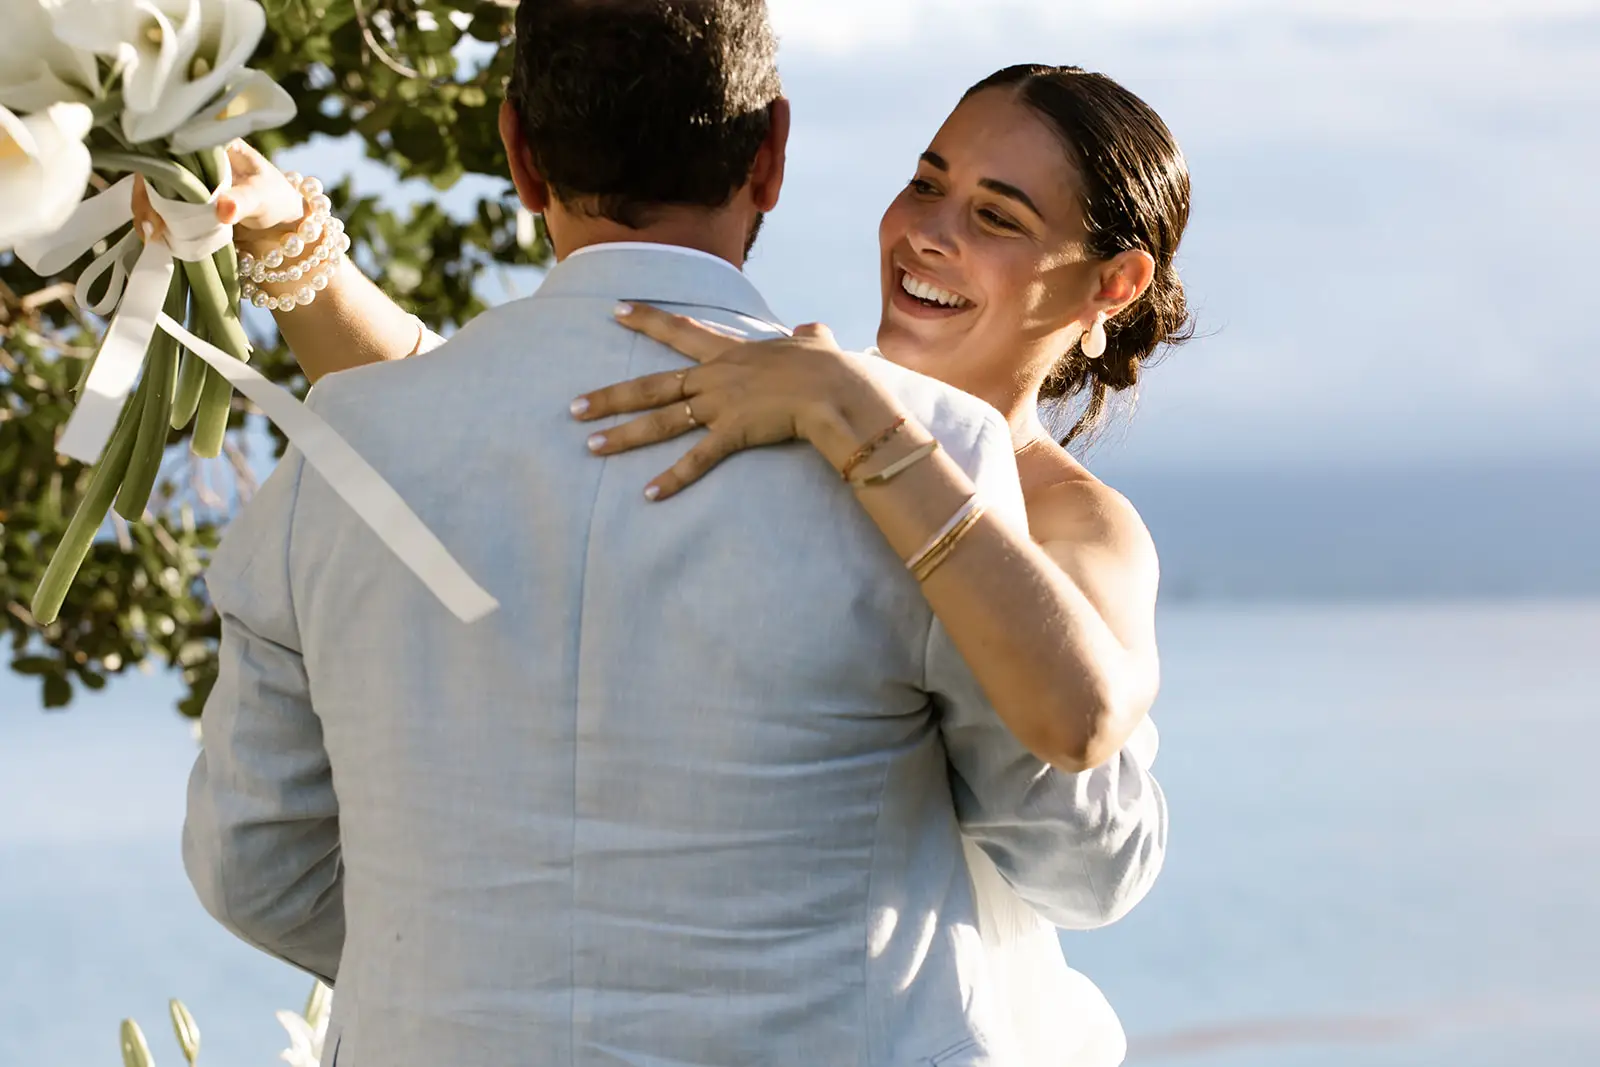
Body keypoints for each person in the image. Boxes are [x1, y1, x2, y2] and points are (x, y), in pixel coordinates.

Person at [175, 2, 1171, 1065]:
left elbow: (256, 870)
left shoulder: (1023, 500)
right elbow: (1086, 857)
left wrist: (484, 968)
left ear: (518, 150)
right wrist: (292, 242)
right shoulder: (827, 409)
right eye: (927, 184)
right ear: (771, 153)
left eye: (998, 216)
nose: (932, 233)